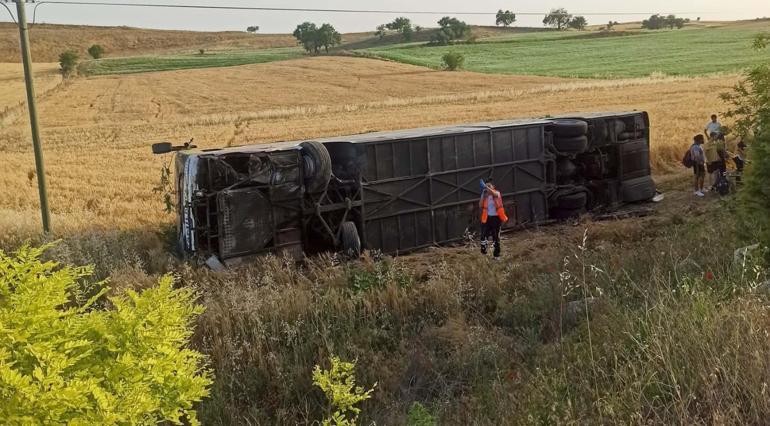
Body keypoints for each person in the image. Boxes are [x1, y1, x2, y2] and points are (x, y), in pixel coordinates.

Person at [479, 180, 509, 260]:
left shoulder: (497, 193)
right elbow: (480, 205)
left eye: (489, 186)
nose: (487, 189)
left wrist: (486, 187)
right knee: (483, 236)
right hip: (487, 218)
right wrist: (483, 194)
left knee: (496, 237)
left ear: (493, 187)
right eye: (486, 186)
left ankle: (496, 256)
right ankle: (484, 251)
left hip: (496, 218)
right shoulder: (485, 196)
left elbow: (495, 194)